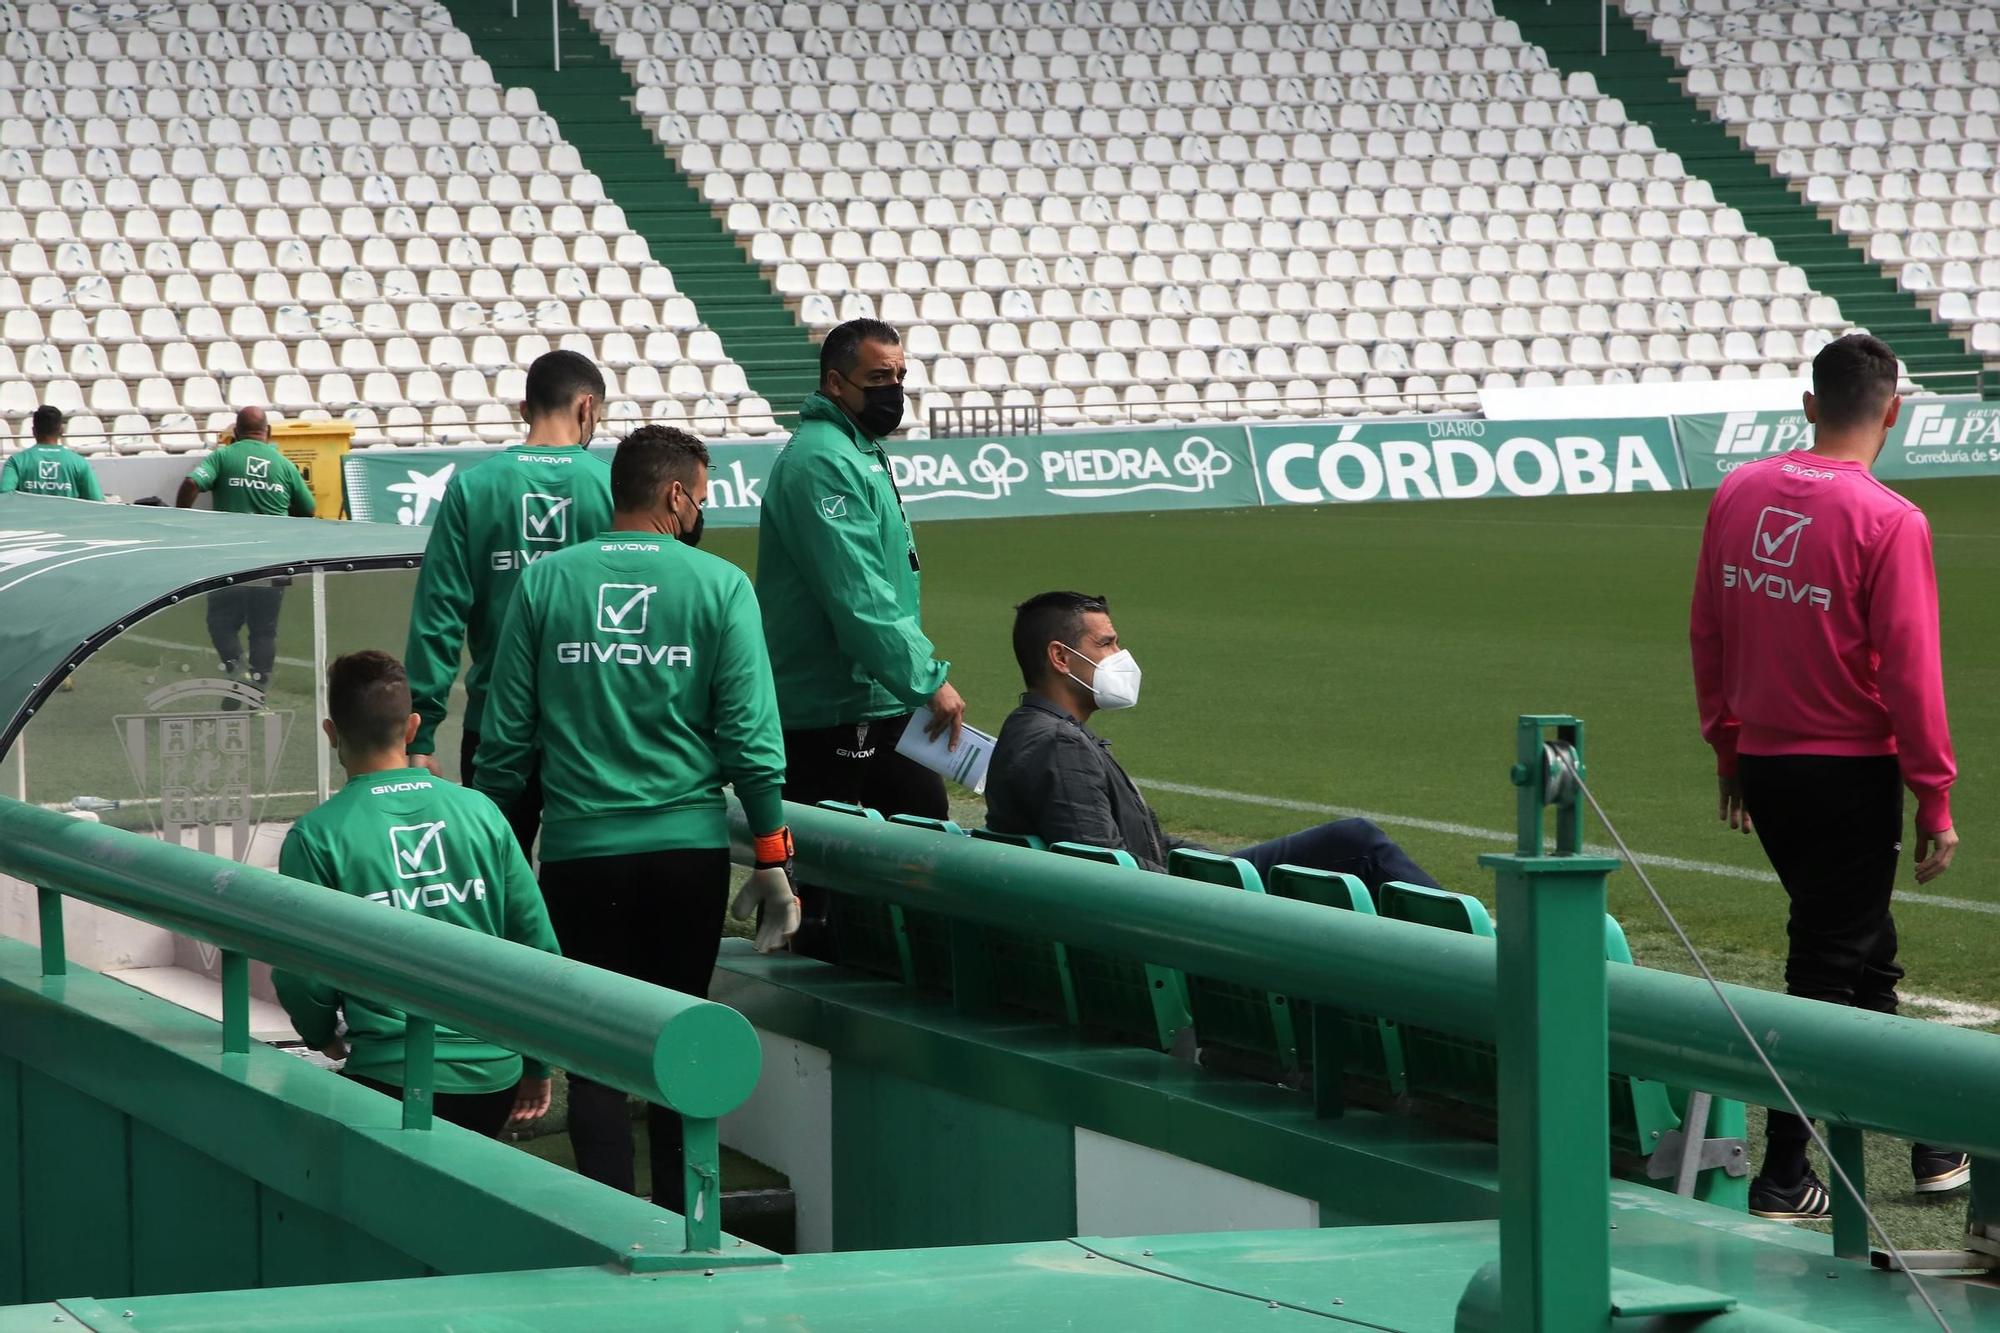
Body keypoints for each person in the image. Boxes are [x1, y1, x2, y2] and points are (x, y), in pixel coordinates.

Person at [474, 424, 798, 1209]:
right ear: (676, 495)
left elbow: (505, 741)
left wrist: (494, 845)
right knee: (681, 1044)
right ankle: (691, 1221)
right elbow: (751, 740)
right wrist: (771, 853)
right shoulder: (720, 585)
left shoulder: (546, 583)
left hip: (582, 854)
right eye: (703, 495)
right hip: (687, 854)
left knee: (594, 1054)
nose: (704, 509)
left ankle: (612, 1225)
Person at [1691, 332, 1964, 1220]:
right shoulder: (1890, 519)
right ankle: (1781, 1174)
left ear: (1810, 405)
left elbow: (1709, 628)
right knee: (1827, 963)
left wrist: (1728, 746)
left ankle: (1930, 1144)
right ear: (1894, 411)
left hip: (1768, 769)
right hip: (1849, 774)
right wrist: (1937, 794)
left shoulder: (1739, 489)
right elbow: (1911, 670)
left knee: (1861, 948)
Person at [271, 651, 559, 1138]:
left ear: (331, 732)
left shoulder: (316, 835)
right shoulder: (481, 812)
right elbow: (535, 946)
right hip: (493, 1074)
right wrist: (537, 1062)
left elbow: (301, 970)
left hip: (389, 1069)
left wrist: (320, 1032)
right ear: (411, 729)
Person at [986, 591, 1443, 892]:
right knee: (1355, 842)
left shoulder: (1039, 730)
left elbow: (1132, 847)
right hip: (1172, 913)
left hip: (1170, 891)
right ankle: (1480, 958)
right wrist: (1209, 887)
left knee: (1350, 840)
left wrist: (1218, 865)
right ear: (1061, 658)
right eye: (1107, 643)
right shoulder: (1057, 745)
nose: (1120, 656)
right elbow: (1107, 873)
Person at [755, 318, 966, 957]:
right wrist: (926, 677)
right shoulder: (822, 460)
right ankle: (813, 1022)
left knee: (919, 854)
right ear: (835, 383)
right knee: (833, 895)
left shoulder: (854, 452)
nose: (893, 390)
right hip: (832, 710)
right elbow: (858, 594)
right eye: (879, 378)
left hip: (870, 700)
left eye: (899, 376)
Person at [403, 349, 615, 855]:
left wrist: (421, 734)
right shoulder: (611, 487)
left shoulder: (472, 489)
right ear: (588, 408)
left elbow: (439, 616)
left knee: (493, 887)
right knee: (583, 890)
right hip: (593, 724)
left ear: (525, 409)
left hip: (495, 724)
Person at [176, 406, 317, 701]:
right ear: (268, 433)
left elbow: (192, 482)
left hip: (230, 560)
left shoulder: (225, 456)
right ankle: (258, 690)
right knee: (263, 631)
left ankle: (236, 670)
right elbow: (309, 509)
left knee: (221, 622)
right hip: (274, 561)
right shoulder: (283, 463)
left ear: (235, 432)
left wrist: (182, 518)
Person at [1, 406, 103, 499]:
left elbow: (5, 498)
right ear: (61, 431)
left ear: (33, 431)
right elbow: (96, 501)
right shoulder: (79, 462)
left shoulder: (16, 461)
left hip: (30, 519)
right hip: (68, 519)